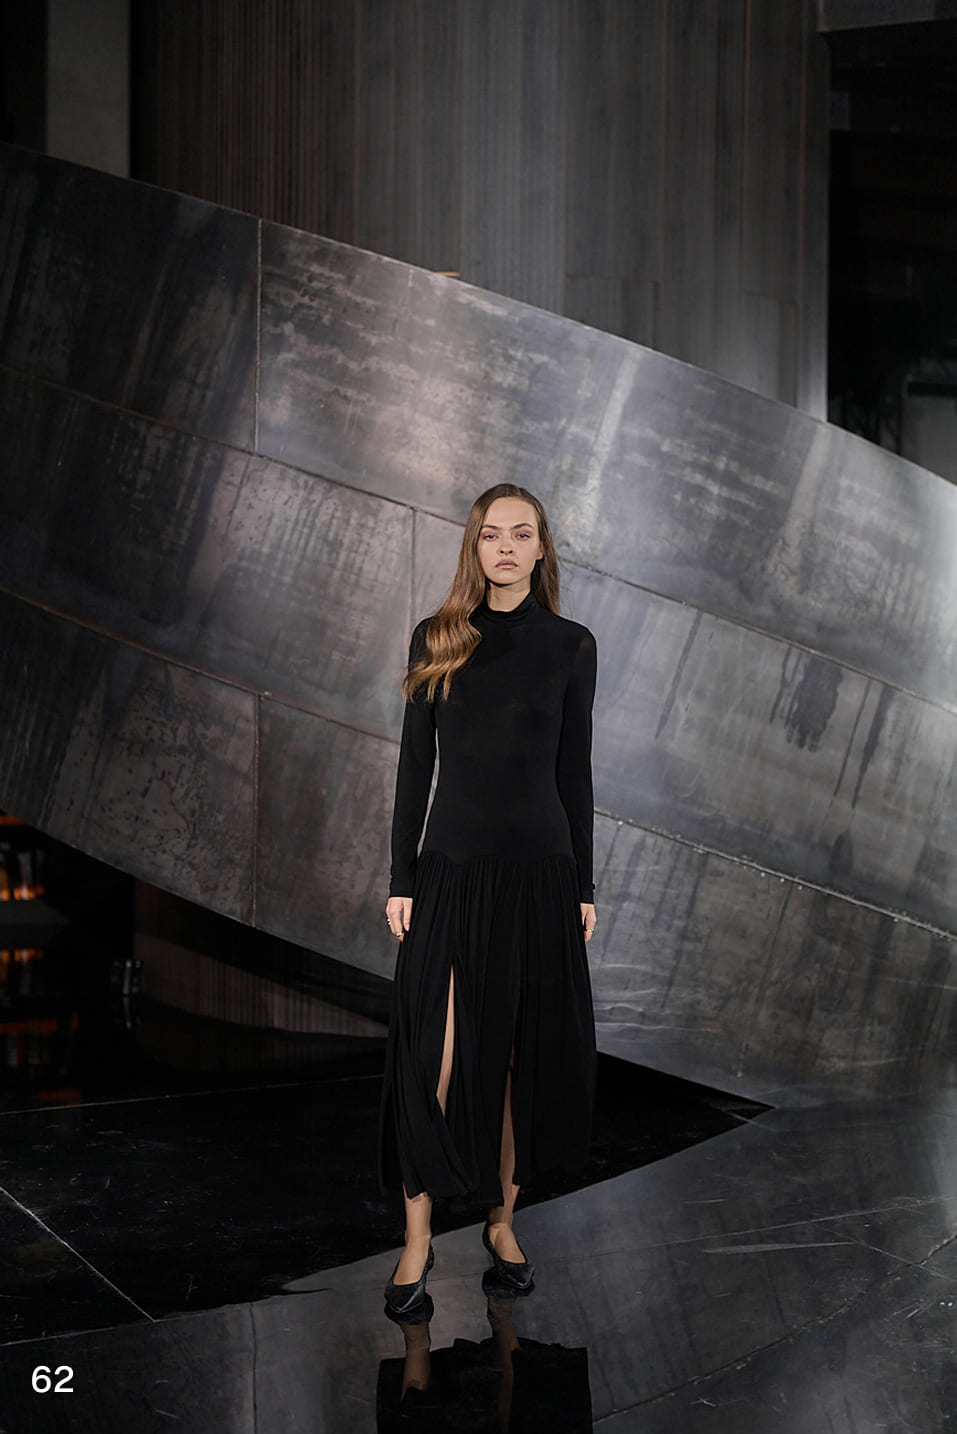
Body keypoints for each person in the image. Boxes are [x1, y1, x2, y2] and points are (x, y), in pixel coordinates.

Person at [378, 483, 598, 1317]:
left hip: (540, 874)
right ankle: (416, 1238)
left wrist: (583, 885)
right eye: (491, 534)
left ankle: (502, 1226)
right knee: (429, 1058)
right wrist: (401, 875)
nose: (505, 547)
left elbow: (573, 774)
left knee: (513, 1058)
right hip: (451, 872)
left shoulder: (571, 645)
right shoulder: (437, 637)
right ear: (474, 547)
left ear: (540, 548)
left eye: (521, 534)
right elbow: (414, 767)